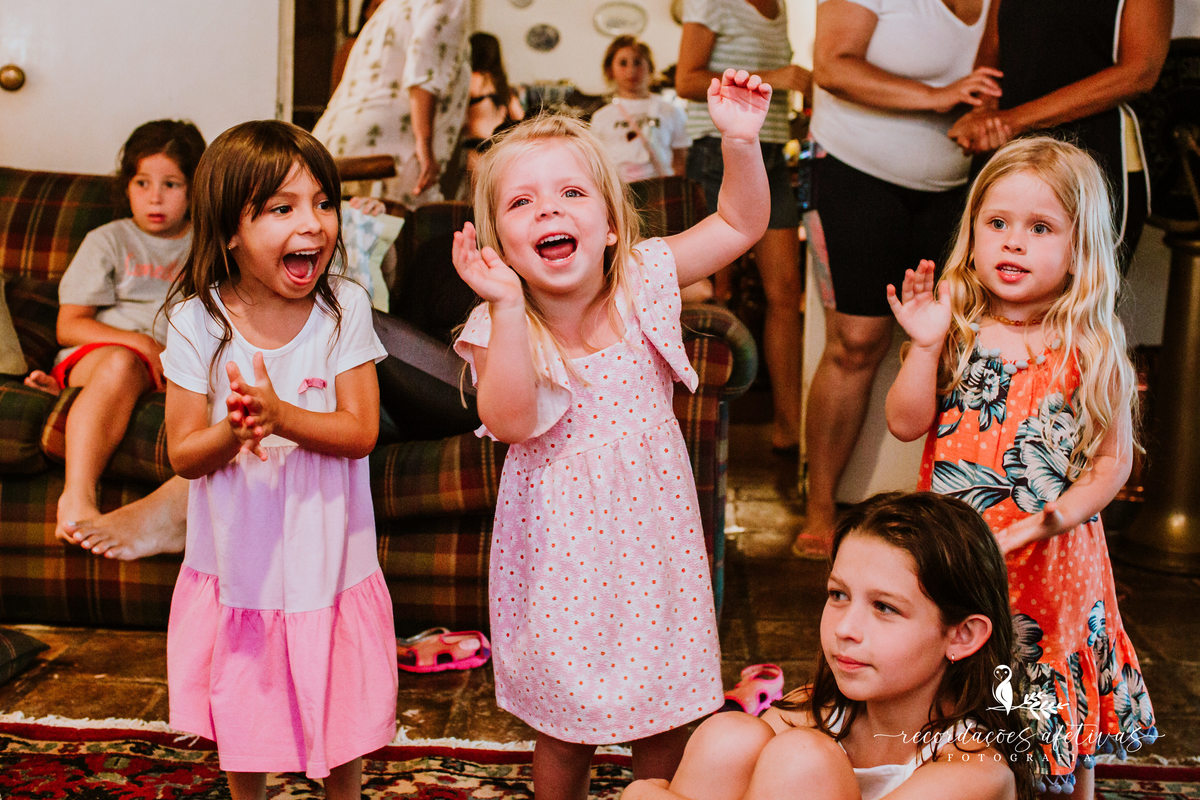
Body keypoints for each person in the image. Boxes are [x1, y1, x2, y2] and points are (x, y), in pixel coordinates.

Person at [450, 69, 771, 800]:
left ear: (612, 224)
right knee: (564, 730)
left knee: (663, 723)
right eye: (521, 202)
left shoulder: (645, 279)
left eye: (570, 194)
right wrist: (501, 307)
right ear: (499, 243)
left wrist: (741, 141)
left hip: (657, 550)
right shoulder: (504, 324)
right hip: (559, 561)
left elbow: (740, 225)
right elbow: (509, 420)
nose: (548, 211)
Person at [885, 137, 1157, 797]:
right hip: (959, 560)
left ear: (1079, 247)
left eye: (1040, 228)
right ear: (972, 232)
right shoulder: (957, 325)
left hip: (1052, 565)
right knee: (963, 716)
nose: (1013, 243)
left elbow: (1112, 463)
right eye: (997, 224)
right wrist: (923, 348)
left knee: (1054, 727)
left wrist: (1049, 519)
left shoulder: (1089, 344)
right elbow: (904, 421)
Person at [160, 120, 398, 798]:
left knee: (341, 699)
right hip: (244, 562)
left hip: (332, 556)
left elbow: (359, 431)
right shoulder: (196, 320)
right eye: (283, 208)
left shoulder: (343, 306)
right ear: (230, 231)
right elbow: (183, 452)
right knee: (245, 697)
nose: (314, 225)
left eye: (324, 203)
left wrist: (279, 414)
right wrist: (235, 431)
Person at [623, 491, 1033, 800]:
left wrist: (644, 795)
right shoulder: (819, 711)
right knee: (729, 736)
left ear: (962, 635)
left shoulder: (976, 771)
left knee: (802, 759)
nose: (846, 628)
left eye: (885, 607)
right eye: (838, 595)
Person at [792, 0, 1002, 558]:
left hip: (955, 186)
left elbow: (991, 79)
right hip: (853, 174)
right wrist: (939, 96)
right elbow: (833, 66)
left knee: (953, 343)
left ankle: (949, 512)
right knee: (858, 342)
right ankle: (820, 506)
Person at [23, 119, 205, 548]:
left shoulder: (206, 243)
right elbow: (69, 325)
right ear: (127, 186)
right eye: (142, 182)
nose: (154, 197)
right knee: (124, 364)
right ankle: (78, 499)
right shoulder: (108, 240)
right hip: (102, 353)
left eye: (171, 184)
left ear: (195, 189)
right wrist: (141, 342)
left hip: (174, 364)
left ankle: (173, 512)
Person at [676, 0, 812, 457]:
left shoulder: (780, 8)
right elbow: (687, 79)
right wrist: (779, 76)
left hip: (771, 152)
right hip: (719, 149)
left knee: (786, 290)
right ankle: (690, 429)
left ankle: (790, 427)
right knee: (707, 290)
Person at [946, 0, 1171, 270]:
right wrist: (983, 113)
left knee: (1076, 296)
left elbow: (1139, 72)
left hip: (1093, 157)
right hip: (1008, 153)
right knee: (983, 288)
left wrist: (1012, 120)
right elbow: (992, 52)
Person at [312, 0, 470, 208]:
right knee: (401, 227)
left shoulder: (394, 5)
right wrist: (425, 144)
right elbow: (424, 66)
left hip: (339, 136)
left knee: (351, 230)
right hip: (391, 144)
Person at [592, 36, 690, 182]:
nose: (631, 70)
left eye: (638, 62)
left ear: (649, 67)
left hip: (661, 188)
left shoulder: (671, 111)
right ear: (610, 70)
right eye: (623, 63)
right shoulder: (601, 117)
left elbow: (680, 159)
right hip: (619, 191)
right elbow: (596, 164)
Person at [460, 32, 525, 176]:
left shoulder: (472, 80)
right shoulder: (501, 84)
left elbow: (456, 117)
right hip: (498, 150)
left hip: (475, 150)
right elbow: (520, 117)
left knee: (473, 196)